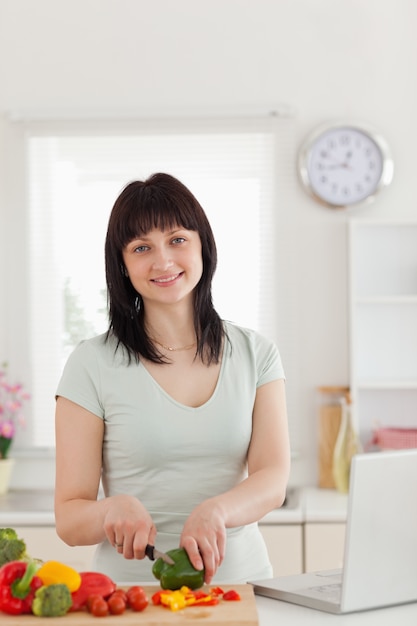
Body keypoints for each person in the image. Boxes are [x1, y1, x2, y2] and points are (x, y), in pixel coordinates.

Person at [54, 172, 290, 585]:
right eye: (142, 247)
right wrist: (110, 510)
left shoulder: (257, 353)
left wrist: (216, 510)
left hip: (242, 589)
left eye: (177, 239)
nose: (162, 261)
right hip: (130, 597)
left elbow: (273, 479)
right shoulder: (90, 363)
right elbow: (70, 519)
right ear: (123, 266)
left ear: (203, 247)